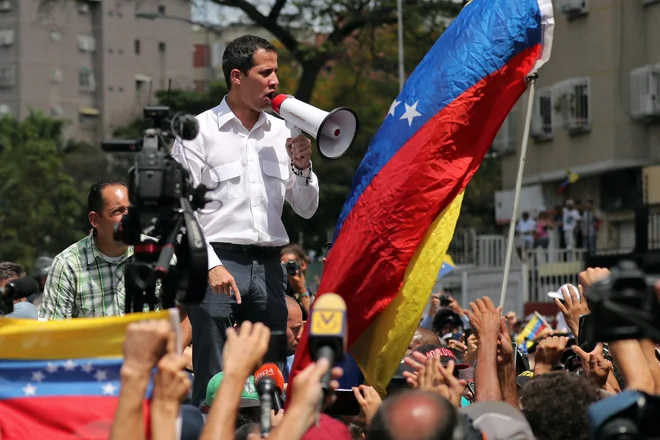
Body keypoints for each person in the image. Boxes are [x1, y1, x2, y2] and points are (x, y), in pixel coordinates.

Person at [171, 35, 319, 406]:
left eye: (276, 72)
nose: (275, 81)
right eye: (265, 72)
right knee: (215, 371)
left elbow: (305, 207)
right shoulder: (198, 131)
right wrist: (211, 266)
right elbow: (180, 211)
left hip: (269, 266)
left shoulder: (284, 131)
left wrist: (302, 166)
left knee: (269, 372)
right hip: (216, 263)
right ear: (237, 76)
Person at [39, 180, 132, 319]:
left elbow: (177, 317)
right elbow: (53, 333)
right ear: (94, 220)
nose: (128, 218)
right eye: (117, 211)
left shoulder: (157, 253)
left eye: (131, 210)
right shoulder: (67, 265)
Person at [280, 244, 311, 318]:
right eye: (283, 266)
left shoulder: (316, 292)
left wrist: (301, 291)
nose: (286, 271)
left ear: (303, 265)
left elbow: (317, 320)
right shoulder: (279, 294)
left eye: (290, 266)